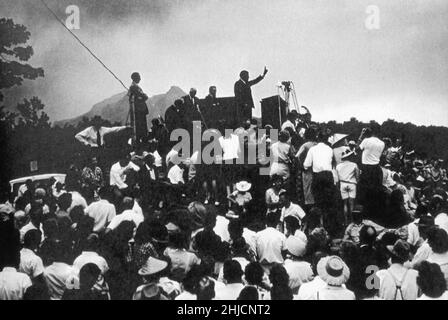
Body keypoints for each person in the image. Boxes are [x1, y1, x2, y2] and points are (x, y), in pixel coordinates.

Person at [336, 149, 360, 226]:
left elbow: (337, 178)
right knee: (352, 203)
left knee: (345, 204)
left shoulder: (338, 166)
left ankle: (346, 221)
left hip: (343, 184)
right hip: (352, 184)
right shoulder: (354, 165)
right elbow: (357, 176)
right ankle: (352, 221)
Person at [128, 72, 149, 143]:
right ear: (135, 78)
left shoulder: (135, 87)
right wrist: (143, 96)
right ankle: (141, 142)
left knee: (141, 127)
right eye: (139, 77)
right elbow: (144, 96)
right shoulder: (134, 87)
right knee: (140, 127)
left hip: (140, 110)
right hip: (139, 110)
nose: (140, 78)